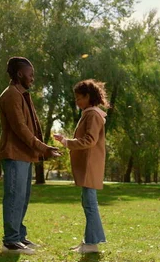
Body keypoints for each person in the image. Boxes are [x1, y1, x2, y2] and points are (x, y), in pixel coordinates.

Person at [0, 56, 61, 255]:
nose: (33, 78)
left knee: (22, 198)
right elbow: (21, 129)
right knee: (14, 197)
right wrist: (43, 148)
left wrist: (41, 149)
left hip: (24, 155)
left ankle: (19, 236)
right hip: (14, 154)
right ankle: (11, 241)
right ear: (19, 74)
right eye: (30, 74)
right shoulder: (11, 95)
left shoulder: (21, 94)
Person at [54, 79, 109, 254]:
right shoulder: (90, 113)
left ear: (88, 97)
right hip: (89, 164)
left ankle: (92, 243)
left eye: (79, 98)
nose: (76, 102)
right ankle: (88, 241)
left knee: (90, 204)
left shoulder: (92, 115)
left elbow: (89, 140)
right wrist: (66, 141)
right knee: (88, 203)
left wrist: (66, 142)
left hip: (90, 165)